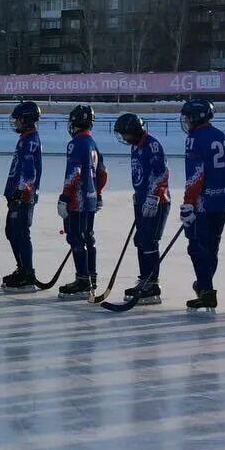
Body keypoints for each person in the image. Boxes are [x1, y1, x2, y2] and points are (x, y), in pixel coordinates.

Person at [179, 97, 225, 312]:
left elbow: (195, 175)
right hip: (222, 202)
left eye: (187, 117)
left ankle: (206, 291)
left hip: (203, 203)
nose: (186, 121)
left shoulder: (195, 139)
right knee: (212, 246)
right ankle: (205, 286)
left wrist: (189, 203)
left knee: (197, 247)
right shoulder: (221, 136)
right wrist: (224, 193)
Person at [114, 112, 169, 305]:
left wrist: (153, 196)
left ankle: (152, 284)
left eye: (125, 133)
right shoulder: (135, 147)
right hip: (142, 200)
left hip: (157, 202)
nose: (124, 138)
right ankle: (144, 279)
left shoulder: (151, 145)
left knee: (149, 241)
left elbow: (161, 173)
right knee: (141, 240)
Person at [56, 104, 106, 298]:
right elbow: (102, 172)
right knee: (88, 238)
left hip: (78, 201)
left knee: (77, 239)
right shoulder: (92, 143)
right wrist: (98, 193)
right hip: (90, 200)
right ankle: (91, 277)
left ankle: (83, 280)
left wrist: (64, 198)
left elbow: (73, 174)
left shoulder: (76, 143)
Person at [0, 100, 43, 289]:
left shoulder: (30, 140)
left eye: (18, 120)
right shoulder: (26, 138)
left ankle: (28, 272)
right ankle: (22, 268)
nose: (15, 123)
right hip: (18, 195)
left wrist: (20, 192)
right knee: (11, 231)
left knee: (21, 233)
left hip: (24, 197)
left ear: (26, 120)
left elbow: (29, 172)